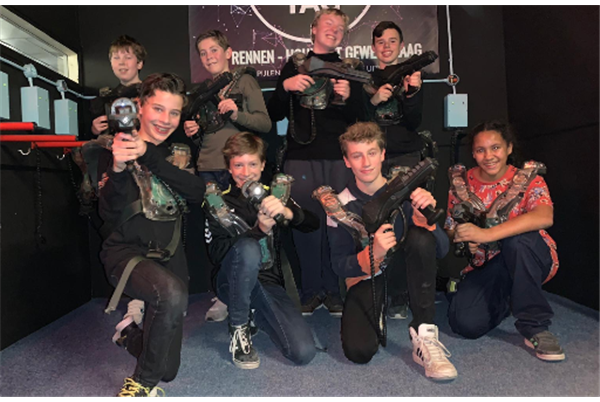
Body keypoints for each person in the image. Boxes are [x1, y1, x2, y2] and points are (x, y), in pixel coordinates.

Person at [97, 73, 206, 396]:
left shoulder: (179, 152)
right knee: (170, 293)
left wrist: (148, 154)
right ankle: (140, 386)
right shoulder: (112, 148)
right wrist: (117, 169)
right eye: (158, 109)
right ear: (140, 107)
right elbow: (108, 213)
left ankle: (129, 334)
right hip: (125, 253)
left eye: (174, 112)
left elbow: (198, 192)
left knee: (168, 370)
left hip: (169, 256)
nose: (165, 120)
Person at [326, 122, 457, 381]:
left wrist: (428, 224)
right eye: (357, 155)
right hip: (367, 278)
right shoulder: (339, 205)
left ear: (383, 154)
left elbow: (442, 251)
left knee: (420, 237)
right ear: (347, 161)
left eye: (372, 153)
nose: (366, 162)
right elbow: (338, 265)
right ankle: (380, 308)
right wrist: (372, 254)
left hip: (403, 274)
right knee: (359, 351)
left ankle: (425, 333)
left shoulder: (407, 192)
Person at [268, 8, 367, 316]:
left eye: (340, 27)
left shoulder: (350, 68)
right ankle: (311, 292)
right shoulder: (295, 65)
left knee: (339, 226)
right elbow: (274, 113)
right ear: (313, 29)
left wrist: (350, 97)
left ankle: (335, 292)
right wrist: (285, 87)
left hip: (339, 159)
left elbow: (364, 119)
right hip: (301, 157)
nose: (334, 30)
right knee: (306, 226)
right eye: (328, 23)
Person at [445, 120, 564, 362]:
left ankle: (535, 325)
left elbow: (544, 216)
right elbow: (451, 226)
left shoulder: (528, 179)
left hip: (529, 255)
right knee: (465, 323)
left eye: (496, 148)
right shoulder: (462, 183)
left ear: (509, 148)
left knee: (517, 243)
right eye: (480, 150)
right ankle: (508, 298)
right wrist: (464, 238)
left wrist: (486, 234)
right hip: (489, 264)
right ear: (473, 153)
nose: (489, 156)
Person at [204, 132, 317, 369]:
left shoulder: (274, 196)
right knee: (247, 247)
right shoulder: (218, 202)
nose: (246, 172)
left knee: (303, 352)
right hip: (230, 281)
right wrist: (259, 230)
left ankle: (257, 312)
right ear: (229, 167)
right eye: (238, 165)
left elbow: (312, 224)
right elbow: (216, 254)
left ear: (263, 165)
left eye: (253, 164)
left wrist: (288, 213)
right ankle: (239, 326)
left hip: (267, 281)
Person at [367, 21, 426, 319]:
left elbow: (415, 122)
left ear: (401, 46)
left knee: (405, 226)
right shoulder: (364, 78)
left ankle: (400, 294)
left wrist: (412, 93)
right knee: (374, 225)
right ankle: (375, 291)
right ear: (373, 47)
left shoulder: (411, 76)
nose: (386, 46)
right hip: (373, 159)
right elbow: (355, 120)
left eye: (392, 41)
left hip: (406, 155)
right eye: (381, 41)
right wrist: (373, 99)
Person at [184, 29, 272, 190]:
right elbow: (207, 136)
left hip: (238, 168)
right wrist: (194, 131)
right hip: (206, 168)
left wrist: (237, 115)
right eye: (203, 53)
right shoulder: (202, 92)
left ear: (228, 53)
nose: (209, 56)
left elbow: (265, 124)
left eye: (214, 50)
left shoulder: (245, 81)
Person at [90, 35, 147, 136]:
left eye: (128, 57)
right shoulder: (105, 100)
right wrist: (95, 129)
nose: (121, 62)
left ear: (139, 64)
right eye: (116, 58)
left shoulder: (151, 94)